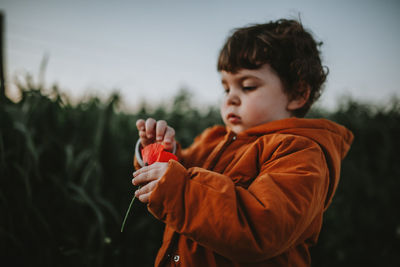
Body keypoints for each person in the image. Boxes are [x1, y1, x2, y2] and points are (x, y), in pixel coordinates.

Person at [132, 19, 354, 267]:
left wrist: (180, 190)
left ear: (298, 94)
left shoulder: (300, 153)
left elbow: (262, 227)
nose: (231, 99)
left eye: (247, 86)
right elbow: (180, 172)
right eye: (226, 88)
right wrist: (159, 152)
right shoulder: (214, 139)